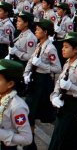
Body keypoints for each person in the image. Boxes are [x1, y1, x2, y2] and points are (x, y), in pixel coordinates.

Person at [48, 32, 77, 150]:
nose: (62, 49)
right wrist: (54, 97)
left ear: (76, 49)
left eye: (66, 47)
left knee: (65, 139)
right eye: (63, 46)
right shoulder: (68, 63)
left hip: (74, 107)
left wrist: (71, 87)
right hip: (63, 104)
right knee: (63, 138)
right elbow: (59, 83)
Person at [23, 19, 62, 150]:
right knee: (30, 113)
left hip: (44, 82)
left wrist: (42, 65)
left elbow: (57, 68)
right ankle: (30, 143)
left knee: (47, 114)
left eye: (38, 30)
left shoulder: (50, 48)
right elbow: (31, 60)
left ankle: (63, 132)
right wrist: (26, 73)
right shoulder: (40, 44)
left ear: (45, 32)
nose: (36, 31)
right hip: (35, 80)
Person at [0, 59, 32, 149]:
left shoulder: (17, 107)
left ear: (10, 84)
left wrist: (2, 134)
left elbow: (27, 139)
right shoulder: (1, 95)